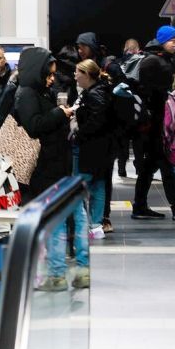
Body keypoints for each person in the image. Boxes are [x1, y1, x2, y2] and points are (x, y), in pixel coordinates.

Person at [14, 47, 90, 290]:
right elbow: (34, 125)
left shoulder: (40, 91)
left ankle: (72, 272)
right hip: (47, 167)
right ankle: (61, 273)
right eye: (48, 73)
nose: (51, 78)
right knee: (60, 218)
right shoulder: (26, 94)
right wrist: (60, 114)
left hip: (58, 164)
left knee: (72, 216)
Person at [132, 25, 175, 221]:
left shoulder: (159, 59)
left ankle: (141, 206)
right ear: (163, 40)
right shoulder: (153, 61)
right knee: (163, 165)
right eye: (173, 40)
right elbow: (148, 92)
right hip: (154, 124)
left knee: (152, 166)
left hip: (157, 123)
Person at [72, 60, 114, 238]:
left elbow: (96, 120)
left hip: (89, 148)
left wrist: (79, 133)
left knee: (80, 187)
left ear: (87, 74)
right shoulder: (102, 90)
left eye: (77, 72)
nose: (75, 75)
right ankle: (95, 225)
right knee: (98, 185)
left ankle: (81, 225)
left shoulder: (93, 95)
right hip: (102, 148)